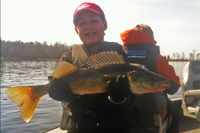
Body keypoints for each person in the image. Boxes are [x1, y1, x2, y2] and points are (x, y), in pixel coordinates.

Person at [48, 2, 140, 133]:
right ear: (76, 30)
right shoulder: (68, 58)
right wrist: (65, 96)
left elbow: (130, 95)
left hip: (114, 127)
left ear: (105, 25)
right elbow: (67, 101)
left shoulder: (118, 54)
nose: (88, 26)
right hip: (80, 127)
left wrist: (119, 99)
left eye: (94, 20)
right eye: (82, 23)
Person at [120, 24, 181, 133]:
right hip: (153, 117)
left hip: (123, 115)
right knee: (175, 111)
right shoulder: (157, 59)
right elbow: (174, 88)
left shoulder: (119, 56)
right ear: (151, 38)